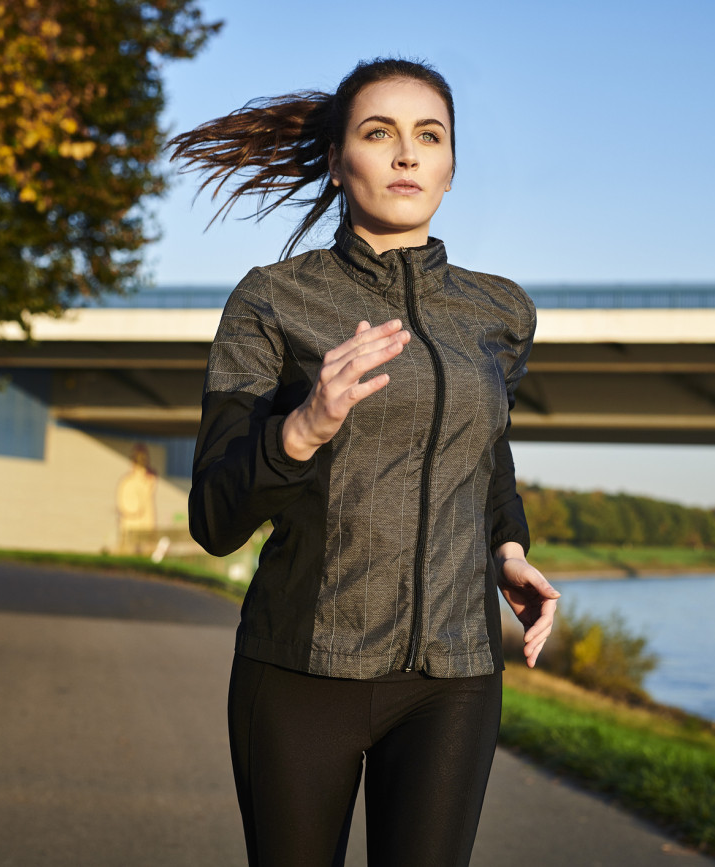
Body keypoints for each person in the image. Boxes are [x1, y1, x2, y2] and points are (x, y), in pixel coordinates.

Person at [171, 57, 560, 867]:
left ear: (452, 169)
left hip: (454, 676)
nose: (407, 155)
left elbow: (486, 454)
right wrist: (303, 428)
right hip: (301, 670)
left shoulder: (500, 311)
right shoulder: (272, 300)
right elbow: (213, 517)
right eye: (378, 134)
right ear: (338, 161)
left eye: (430, 136)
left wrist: (509, 550)